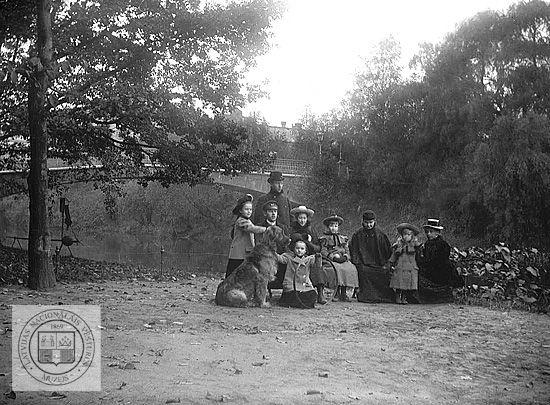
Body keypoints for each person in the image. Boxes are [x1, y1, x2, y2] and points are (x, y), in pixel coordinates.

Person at [349, 210, 393, 303]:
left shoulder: (380, 235)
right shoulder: (357, 235)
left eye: (371, 223)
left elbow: (387, 251)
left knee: (384, 271)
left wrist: (385, 263)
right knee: (363, 271)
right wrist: (358, 262)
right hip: (364, 264)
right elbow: (354, 251)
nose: (369, 225)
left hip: (378, 263)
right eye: (366, 222)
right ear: (362, 222)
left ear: (374, 222)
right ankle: (367, 296)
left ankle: (382, 297)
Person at [289, 205, 328, 304]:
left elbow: (317, 248)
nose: (302, 220)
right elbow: (289, 245)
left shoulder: (311, 230)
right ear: (297, 218)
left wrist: (308, 243)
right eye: (300, 218)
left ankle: (320, 292)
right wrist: (299, 238)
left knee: (317, 264)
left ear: (307, 218)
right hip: (296, 257)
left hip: (309, 256)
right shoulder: (292, 229)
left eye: (304, 218)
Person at [318, 214, 359, 302]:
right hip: (331, 259)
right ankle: (336, 292)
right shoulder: (324, 238)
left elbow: (347, 249)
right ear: (328, 227)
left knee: (350, 268)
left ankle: (343, 292)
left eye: (336, 226)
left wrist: (345, 257)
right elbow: (323, 251)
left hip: (342, 258)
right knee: (335, 269)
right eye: (331, 226)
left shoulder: (343, 238)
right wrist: (333, 257)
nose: (334, 228)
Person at [416, 218, 458, 303]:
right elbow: (427, 258)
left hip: (441, 270)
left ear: (437, 233)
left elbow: (439, 261)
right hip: (430, 268)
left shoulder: (443, 245)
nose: (428, 234)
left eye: (431, 232)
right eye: (427, 232)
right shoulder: (427, 244)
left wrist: (424, 262)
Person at [226, 194, 267, 278]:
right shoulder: (241, 221)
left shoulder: (247, 220)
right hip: (238, 255)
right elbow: (252, 228)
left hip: (245, 253)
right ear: (240, 210)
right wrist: (267, 229)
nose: (249, 211)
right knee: (232, 277)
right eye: (246, 209)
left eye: (250, 209)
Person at [276, 235, 321, 309]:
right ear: (293, 249)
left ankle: (302, 303)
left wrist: (318, 257)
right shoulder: (288, 257)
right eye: (297, 248)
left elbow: (317, 265)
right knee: (293, 296)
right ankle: (295, 303)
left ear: (305, 250)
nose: (299, 250)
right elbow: (280, 258)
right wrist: (272, 252)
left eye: (302, 249)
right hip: (292, 286)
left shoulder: (309, 259)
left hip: (304, 286)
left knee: (312, 294)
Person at [257, 200, 290, 296]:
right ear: (265, 213)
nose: (273, 213)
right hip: (265, 259)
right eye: (270, 211)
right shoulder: (260, 227)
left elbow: (286, 245)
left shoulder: (283, 228)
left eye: (275, 211)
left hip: (280, 259)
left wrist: (283, 257)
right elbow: (259, 245)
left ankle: (287, 294)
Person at [389, 223, 421, 304]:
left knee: (407, 283)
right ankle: (397, 296)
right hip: (401, 265)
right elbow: (394, 255)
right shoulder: (399, 245)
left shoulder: (415, 245)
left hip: (411, 266)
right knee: (399, 282)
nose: (405, 236)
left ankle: (404, 297)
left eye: (408, 234)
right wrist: (391, 262)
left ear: (412, 235)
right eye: (404, 234)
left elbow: (419, 255)